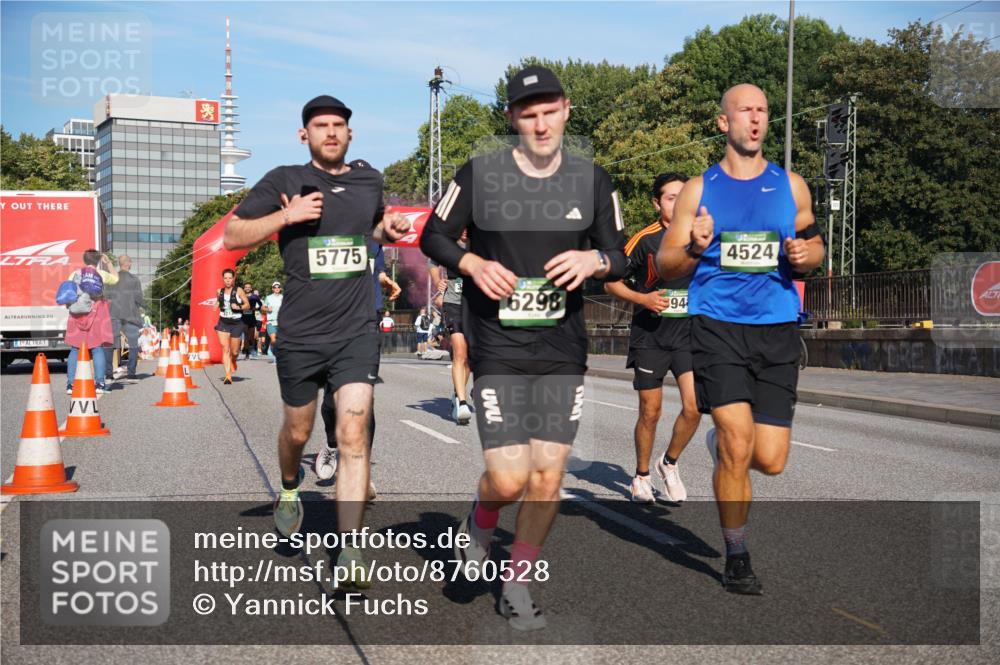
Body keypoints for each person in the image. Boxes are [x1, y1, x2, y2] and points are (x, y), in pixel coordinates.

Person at [420, 65, 626, 630]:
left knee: (548, 475)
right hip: (498, 343)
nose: (540, 124)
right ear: (512, 117)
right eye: (528, 114)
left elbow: (620, 256)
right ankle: (481, 519)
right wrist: (471, 262)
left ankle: (517, 581)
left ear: (566, 110)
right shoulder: (481, 174)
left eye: (549, 112)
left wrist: (594, 260)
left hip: (562, 345)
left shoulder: (593, 181)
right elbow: (433, 235)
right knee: (510, 479)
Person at [223, 94, 409, 589]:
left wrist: (388, 228)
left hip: (356, 331)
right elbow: (233, 236)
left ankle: (350, 551)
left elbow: (372, 227)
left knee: (353, 434)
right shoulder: (284, 180)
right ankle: (290, 489)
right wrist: (287, 217)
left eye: (338, 125)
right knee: (298, 432)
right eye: (321, 125)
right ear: (304, 135)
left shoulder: (370, 180)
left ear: (350, 133)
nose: (331, 132)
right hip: (302, 335)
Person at [657, 83, 825, 595]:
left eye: (763, 111)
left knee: (770, 460)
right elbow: (667, 264)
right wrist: (694, 246)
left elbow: (815, 243)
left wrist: (807, 256)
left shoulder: (791, 185)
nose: (755, 118)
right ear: (723, 122)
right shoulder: (698, 190)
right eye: (745, 110)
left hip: (777, 328)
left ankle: (722, 447)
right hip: (718, 328)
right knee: (737, 442)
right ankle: (737, 555)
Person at [605, 173, 700, 503]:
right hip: (651, 337)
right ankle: (641, 476)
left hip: (689, 335)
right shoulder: (644, 239)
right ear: (657, 204)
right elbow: (611, 282)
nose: (679, 203)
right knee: (650, 411)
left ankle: (669, 463)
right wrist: (642, 299)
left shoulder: (701, 237)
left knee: (695, 407)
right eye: (671, 198)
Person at [314, 239, 400, 496]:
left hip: (367, 320)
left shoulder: (374, 240)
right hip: (331, 321)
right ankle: (332, 444)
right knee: (331, 402)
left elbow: (378, 271)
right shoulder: (326, 233)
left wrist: (386, 281)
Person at [429, 229, 472, 424]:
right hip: (453, 303)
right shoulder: (448, 244)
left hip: (475, 305)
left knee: (469, 358)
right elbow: (432, 262)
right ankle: (462, 403)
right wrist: (438, 282)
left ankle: (457, 394)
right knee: (460, 351)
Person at [65, 249, 119, 394]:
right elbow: (116, 279)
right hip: (96, 313)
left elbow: (69, 291)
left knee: (75, 348)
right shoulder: (101, 274)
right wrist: (109, 263)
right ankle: (99, 384)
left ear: (85, 260)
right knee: (97, 348)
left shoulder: (75, 274)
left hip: (77, 313)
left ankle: (71, 385)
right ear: (98, 260)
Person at [106, 254, 145, 381]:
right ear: (129, 264)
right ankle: (131, 373)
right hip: (130, 316)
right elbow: (139, 299)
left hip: (114, 314)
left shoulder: (112, 278)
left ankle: (108, 373)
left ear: (120, 264)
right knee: (133, 344)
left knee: (111, 344)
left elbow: (106, 297)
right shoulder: (134, 279)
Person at [215, 268, 247, 384]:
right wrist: (216, 305)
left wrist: (239, 307)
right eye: (225, 278)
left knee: (234, 352)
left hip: (236, 323)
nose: (228, 280)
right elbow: (219, 301)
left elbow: (247, 305)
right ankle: (228, 376)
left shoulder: (239, 290)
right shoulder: (219, 291)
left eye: (230, 278)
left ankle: (233, 360)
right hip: (223, 322)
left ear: (233, 278)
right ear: (223, 279)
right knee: (225, 349)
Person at [263, 281, 283, 361]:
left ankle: (271, 348)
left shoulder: (283, 297)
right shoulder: (268, 298)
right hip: (271, 321)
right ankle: (275, 356)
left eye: (278, 287)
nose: (277, 288)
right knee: (274, 340)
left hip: (281, 322)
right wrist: (268, 309)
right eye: (275, 287)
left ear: (280, 288)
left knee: (279, 340)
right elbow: (263, 307)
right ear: (272, 289)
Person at [241, 282, 262, 359]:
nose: (247, 288)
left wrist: (256, 309)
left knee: (251, 337)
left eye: (249, 287)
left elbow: (260, 305)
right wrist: (241, 308)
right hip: (243, 319)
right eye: (246, 287)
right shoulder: (241, 296)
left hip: (252, 319)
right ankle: (247, 353)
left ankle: (248, 348)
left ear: (251, 288)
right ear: (244, 288)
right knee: (246, 335)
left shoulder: (255, 296)